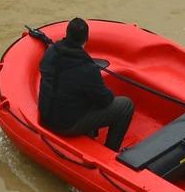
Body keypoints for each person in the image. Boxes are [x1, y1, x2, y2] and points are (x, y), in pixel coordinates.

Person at [34, 18, 133, 151]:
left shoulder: (50, 52)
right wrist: (107, 90)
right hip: (66, 125)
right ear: (86, 39)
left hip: (46, 115)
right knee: (126, 105)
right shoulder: (87, 69)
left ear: (67, 34)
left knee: (78, 94)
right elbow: (105, 100)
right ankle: (111, 151)